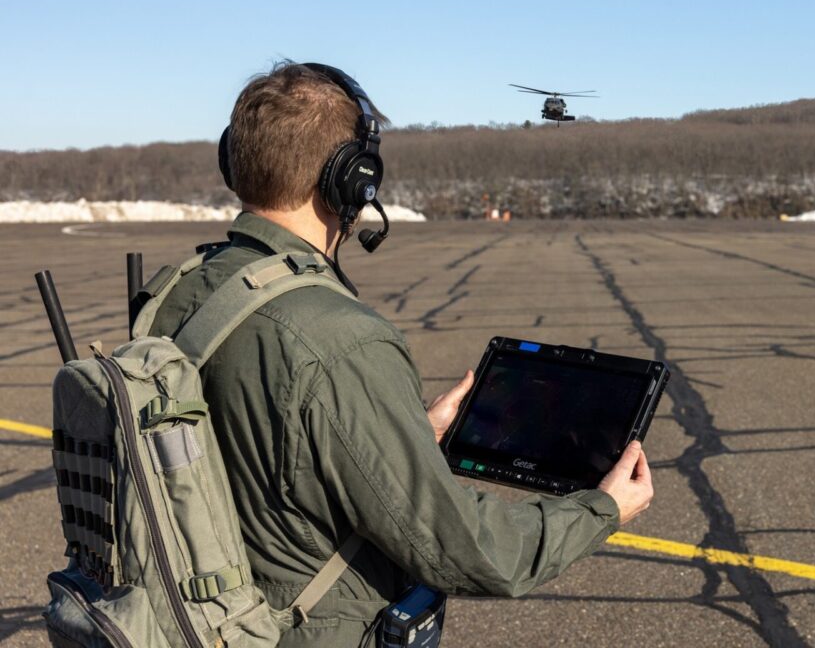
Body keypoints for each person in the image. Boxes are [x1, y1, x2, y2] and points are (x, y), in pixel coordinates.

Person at [148, 61, 653, 646]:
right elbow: (461, 548)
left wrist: (398, 431)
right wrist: (603, 510)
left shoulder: (181, 290)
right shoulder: (339, 337)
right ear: (352, 178)